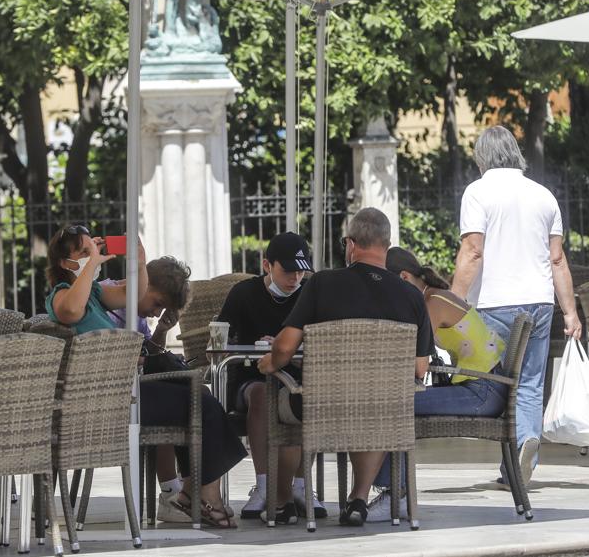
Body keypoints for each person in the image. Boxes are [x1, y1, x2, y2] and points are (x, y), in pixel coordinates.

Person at [45, 225, 247, 528]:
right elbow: (71, 310)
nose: (94, 256)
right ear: (64, 263)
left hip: (127, 387)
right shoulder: (61, 295)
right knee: (198, 402)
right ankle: (203, 495)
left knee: (198, 395)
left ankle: (196, 493)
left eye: (94, 249)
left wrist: (139, 260)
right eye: (84, 253)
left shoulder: (96, 295)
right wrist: (94, 265)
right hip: (107, 398)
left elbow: (133, 295)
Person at [257, 208, 434, 527]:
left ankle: (282, 501)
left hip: (318, 404)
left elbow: (284, 348)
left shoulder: (322, 283)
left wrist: (269, 364)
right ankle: (358, 499)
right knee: (377, 405)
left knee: (277, 400)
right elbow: (420, 368)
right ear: (387, 244)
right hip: (382, 405)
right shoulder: (412, 296)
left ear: (351, 244)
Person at [450, 125, 580, 489]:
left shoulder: (477, 192)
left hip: (494, 303)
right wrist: (569, 312)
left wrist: (453, 302)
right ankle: (523, 454)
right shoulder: (544, 195)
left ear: (482, 158)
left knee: (494, 385)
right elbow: (557, 260)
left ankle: (511, 458)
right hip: (539, 303)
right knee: (529, 385)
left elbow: (473, 251)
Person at [367, 247, 511, 519]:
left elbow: (413, 353)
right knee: (396, 402)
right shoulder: (434, 297)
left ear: (405, 278)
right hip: (482, 386)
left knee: (395, 404)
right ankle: (393, 491)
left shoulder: (432, 304)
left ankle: (395, 495)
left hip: (483, 390)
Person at [213, 233, 321, 520]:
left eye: (300, 271)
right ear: (267, 265)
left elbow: (322, 337)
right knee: (262, 395)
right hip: (251, 376)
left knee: (309, 396)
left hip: (297, 376)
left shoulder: (310, 292)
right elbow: (220, 340)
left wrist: (287, 345)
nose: (295, 278)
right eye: (287, 270)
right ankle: (264, 485)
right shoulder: (243, 293)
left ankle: (300, 485)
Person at [101, 255, 197, 519]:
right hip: (110, 397)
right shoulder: (107, 299)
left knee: (186, 396)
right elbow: (118, 356)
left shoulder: (137, 309)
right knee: (181, 401)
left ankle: (177, 489)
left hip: (136, 390)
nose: (156, 313)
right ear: (143, 283)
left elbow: (146, 354)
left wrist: (162, 330)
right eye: (157, 304)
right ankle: (173, 492)